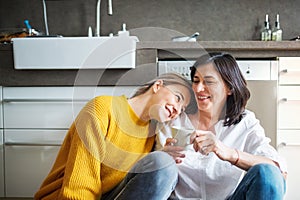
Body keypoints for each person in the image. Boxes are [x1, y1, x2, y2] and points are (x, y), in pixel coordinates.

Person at [34, 72, 195, 200]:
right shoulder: (103, 109)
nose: (177, 111)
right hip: (67, 196)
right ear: (157, 86)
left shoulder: (151, 133)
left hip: (110, 195)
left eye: (182, 109)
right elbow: (80, 181)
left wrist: (160, 154)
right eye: (177, 98)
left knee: (163, 163)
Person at [156, 52, 287, 200]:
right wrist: (161, 156)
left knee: (267, 172)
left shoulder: (244, 122)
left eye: (208, 82)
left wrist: (229, 153)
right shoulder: (174, 120)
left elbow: (278, 169)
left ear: (229, 88)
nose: (198, 89)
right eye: (196, 81)